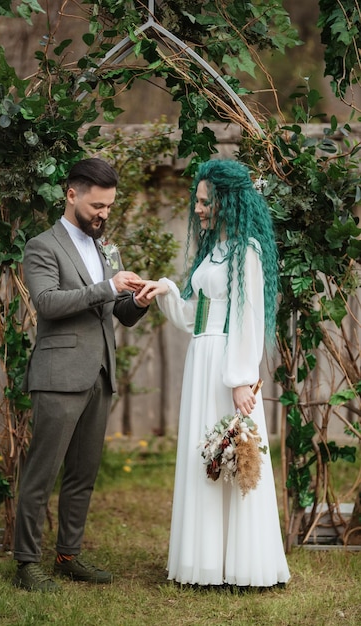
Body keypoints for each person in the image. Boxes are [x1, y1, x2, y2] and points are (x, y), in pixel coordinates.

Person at [137, 159, 290, 588]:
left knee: (233, 455)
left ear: (227, 201)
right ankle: (204, 562)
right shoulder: (213, 252)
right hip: (201, 362)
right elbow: (195, 319)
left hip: (226, 367)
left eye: (206, 201)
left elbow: (247, 316)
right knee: (205, 457)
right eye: (198, 201)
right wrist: (165, 289)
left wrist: (241, 376)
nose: (198, 208)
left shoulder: (247, 252)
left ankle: (243, 565)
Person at [13, 157, 150, 591]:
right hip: (58, 375)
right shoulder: (42, 246)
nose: (104, 215)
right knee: (42, 472)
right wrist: (108, 287)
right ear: (71, 195)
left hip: (100, 373)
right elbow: (48, 303)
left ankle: (69, 555)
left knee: (82, 474)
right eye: (97, 206)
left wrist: (139, 302)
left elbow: (116, 314)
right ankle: (26, 563)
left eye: (109, 207)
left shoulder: (104, 248)